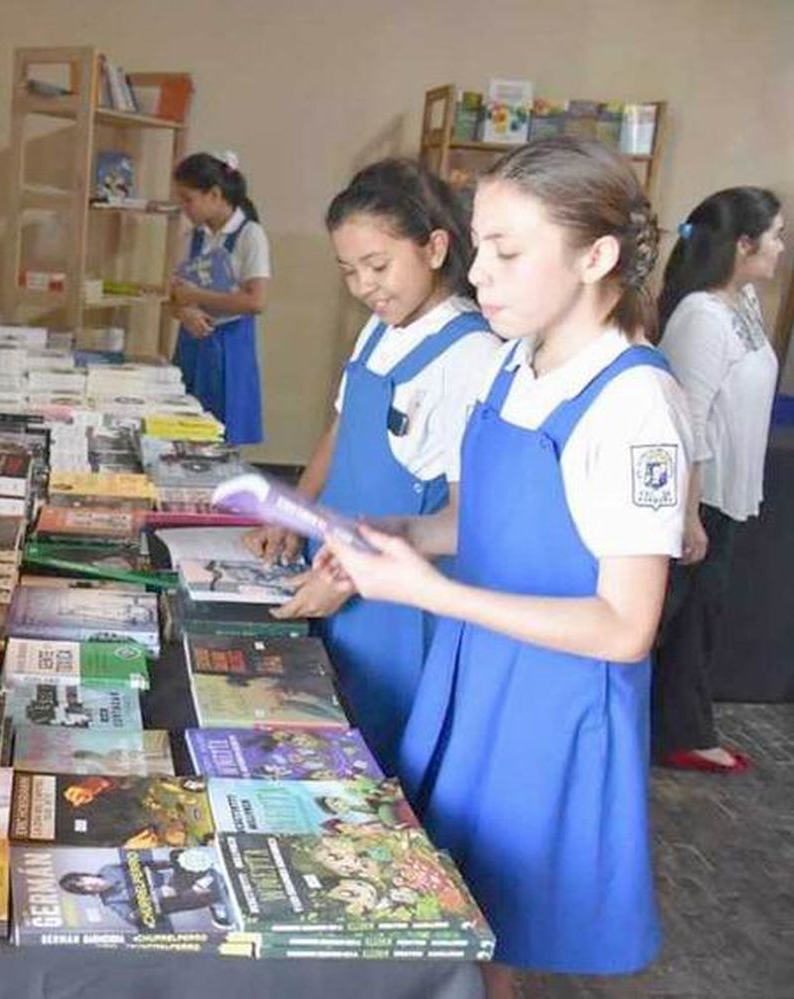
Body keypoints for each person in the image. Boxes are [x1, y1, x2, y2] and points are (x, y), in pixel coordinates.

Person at [317, 136, 692, 993]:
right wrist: (402, 534)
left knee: (498, 922)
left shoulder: (633, 402)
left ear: (595, 256)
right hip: (477, 670)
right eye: (480, 244)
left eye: (507, 251)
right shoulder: (515, 367)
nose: (479, 272)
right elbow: (479, 523)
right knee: (457, 910)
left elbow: (625, 625)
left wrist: (433, 590)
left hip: (551, 701)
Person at [245, 159, 497, 770]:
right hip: (337, 568)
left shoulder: (472, 356)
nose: (364, 286)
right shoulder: (382, 330)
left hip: (395, 609)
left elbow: (463, 518)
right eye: (350, 271)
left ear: (435, 247)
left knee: (378, 756)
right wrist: (295, 512)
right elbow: (342, 428)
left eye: (378, 266)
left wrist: (350, 576)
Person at [653, 188, 784, 773]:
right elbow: (687, 421)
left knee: (699, 621)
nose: (782, 247)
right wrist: (687, 514)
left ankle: (683, 730)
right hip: (697, 498)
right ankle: (678, 733)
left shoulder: (745, 302)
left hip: (729, 493)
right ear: (744, 244)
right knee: (676, 621)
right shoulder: (701, 315)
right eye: (776, 236)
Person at [168, 151, 270, 445]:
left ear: (214, 194)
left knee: (223, 431)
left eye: (188, 199)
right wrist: (183, 311)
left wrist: (197, 296)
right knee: (184, 427)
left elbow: (256, 301)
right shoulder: (192, 238)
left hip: (230, 342)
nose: (184, 208)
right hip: (192, 340)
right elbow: (175, 295)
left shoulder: (250, 235)